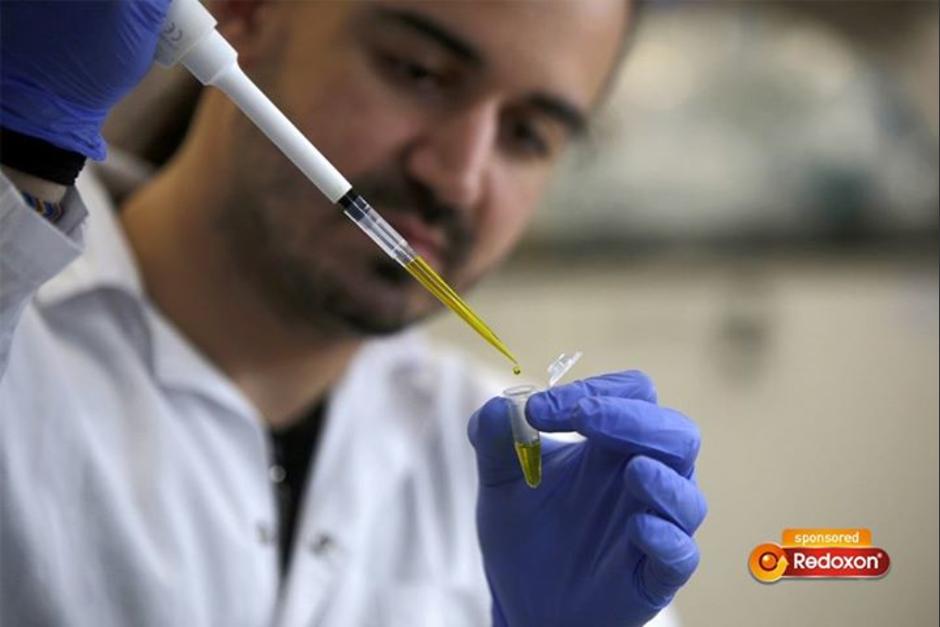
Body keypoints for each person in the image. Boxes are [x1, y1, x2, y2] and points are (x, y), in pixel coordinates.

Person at [0, 1, 707, 626]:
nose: (458, 175)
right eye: (419, 71)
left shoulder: (531, 480)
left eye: (527, 135)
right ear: (243, 11)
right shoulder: (18, 334)